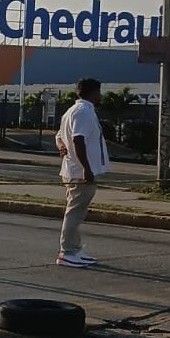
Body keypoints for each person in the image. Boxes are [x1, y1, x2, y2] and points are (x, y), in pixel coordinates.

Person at [55, 77, 110, 267]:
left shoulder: (72, 111)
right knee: (74, 212)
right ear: (92, 92)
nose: (100, 95)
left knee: (77, 212)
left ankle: (75, 249)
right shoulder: (83, 112)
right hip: (79, 173)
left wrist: (61, 145)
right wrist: (87, 169)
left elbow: (59, 136)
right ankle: (67, 251)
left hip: (74, 170)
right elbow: (78, 140)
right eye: (98, 92)